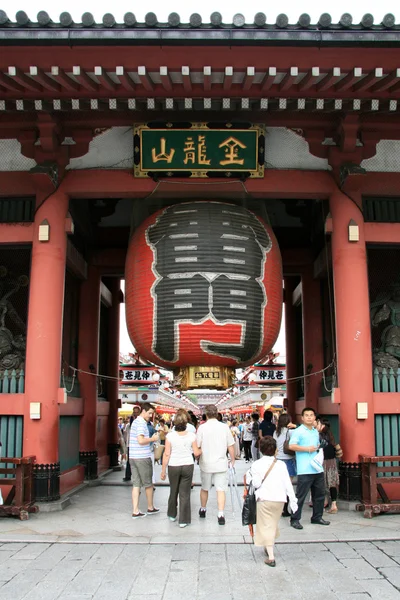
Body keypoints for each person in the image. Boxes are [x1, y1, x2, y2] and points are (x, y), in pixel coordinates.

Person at [246, 436, 297, 567]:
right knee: (272, 523)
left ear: (261, 450)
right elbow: (288, 483)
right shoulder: (281, 464)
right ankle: (268, 545)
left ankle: (271, 556)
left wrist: (250, 476)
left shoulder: (257, 464)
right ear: (275, 451)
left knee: (266, 525)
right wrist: (293, 500)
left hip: (264, 498)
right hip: (280, 499)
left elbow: (256, 484)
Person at [288, 406, 330, 530]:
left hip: (317, 468)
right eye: (307, 415)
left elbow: (316, 446)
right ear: (302, 418)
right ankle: (294, 519)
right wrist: (307, 449)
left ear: (314, 418)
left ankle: (317, 517)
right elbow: (291, 446)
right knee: (300, 496)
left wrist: (319, 446)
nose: (309, 417)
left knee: (319, 495)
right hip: (304, 469)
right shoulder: (299, 431)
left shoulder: (315, 431)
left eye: (311, 415)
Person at [160, 412, 201, 527]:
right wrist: (202, 450)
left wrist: (163, 471)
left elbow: (167, 454)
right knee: (185, 493)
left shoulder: (170, 436)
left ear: (174, 423)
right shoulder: (192, 436)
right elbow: (196, 453)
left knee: (173, 490)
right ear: (186, 423)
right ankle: (183, 520)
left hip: (173, 465)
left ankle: (172, 514)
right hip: (188, 464)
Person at [196, 404, 235, 525]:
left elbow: (197, 446)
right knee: (221, 489)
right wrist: (232, 459)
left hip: (206, 463)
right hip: (221, 463)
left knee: (205, 488)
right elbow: (231, 445)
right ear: (217, 413)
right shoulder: (224, 427)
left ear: (206, 414)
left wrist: (197, 457)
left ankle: (203, 509)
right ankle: (221, 514)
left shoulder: (202, 428)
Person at [129, 402, 160, 518]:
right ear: (143, 411)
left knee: (136, 484)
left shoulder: (135, 422)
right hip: (142, 457)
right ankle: (150, 507)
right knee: (148, 484)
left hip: (133, 456)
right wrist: (153, 438)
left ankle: (135, 510)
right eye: (149, 413)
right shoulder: (142, 423)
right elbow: (141, 440)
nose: (150, 416)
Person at [273, 413, 296, 516]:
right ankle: (285, 509)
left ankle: (279, 508)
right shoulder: (291, 431)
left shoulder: (276, 432)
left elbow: (275, 447)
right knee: (288, 486)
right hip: (288, 459)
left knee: (280, 485)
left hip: (278, 460)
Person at [318, 418, 340, 514]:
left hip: (323, 462)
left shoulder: (318, 436)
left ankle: (323, 503)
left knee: (322, 483)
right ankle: (334, 504)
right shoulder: (330, 436)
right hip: (332, 462)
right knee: (332, 483)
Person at [123, 405, 141, 482]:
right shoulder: (129, 423)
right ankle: (128, 475)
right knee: (129, 461)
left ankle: (139, 476)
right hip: (130, 444)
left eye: (137, 412)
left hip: (139, 444)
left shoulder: (141, 422)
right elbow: (126, 434)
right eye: (134, 412)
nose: (135, 414)